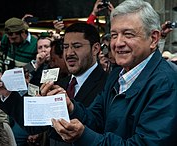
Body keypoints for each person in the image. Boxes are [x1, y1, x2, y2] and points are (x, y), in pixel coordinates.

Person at [39, 0, 177, 145]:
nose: (118, 43)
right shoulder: (116, 76)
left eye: (128, 34)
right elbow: (96, 118)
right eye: (114, 35)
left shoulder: (166, 83)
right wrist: (71, 107)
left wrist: (84, 136)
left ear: (154, 38)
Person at [0, 22, 109, 146]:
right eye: (65, 47)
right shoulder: (57, 84)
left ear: (95, 48)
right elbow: (35, 126)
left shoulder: (109, 85)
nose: (69, 53)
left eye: (76, 46)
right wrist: (8, 94)